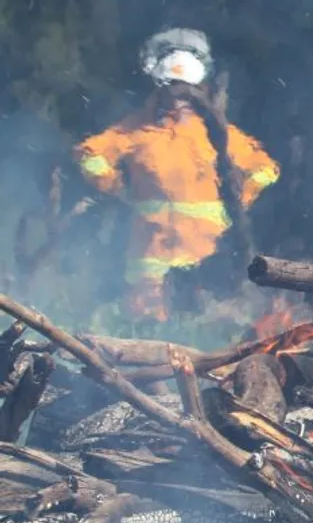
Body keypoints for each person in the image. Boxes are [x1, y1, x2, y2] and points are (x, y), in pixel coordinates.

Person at [73, 28, 280, 320]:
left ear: (201, 89)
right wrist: (117, 187)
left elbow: (265, 169)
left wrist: (238, 199)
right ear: (159, 87)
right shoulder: (137, 130)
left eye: (186, 89)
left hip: (205, 262)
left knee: (202, 329)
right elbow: (89, 155)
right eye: (171, 88)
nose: (178, 98)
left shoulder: (216, 133)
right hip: (150, 265)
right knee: (149, 332)